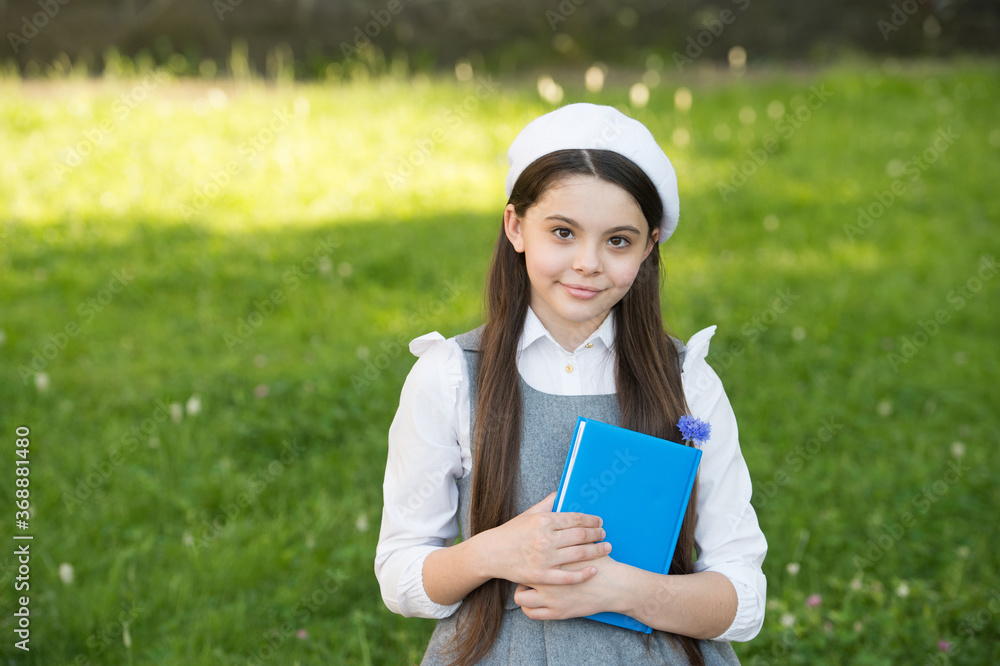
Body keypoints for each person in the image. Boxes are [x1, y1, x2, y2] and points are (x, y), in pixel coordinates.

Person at [375, 103, 767, 665]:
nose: (587, 263)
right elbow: (401, 572)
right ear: (516, 227)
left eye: (618, 241)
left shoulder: (687, 382)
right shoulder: (450, 375)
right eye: (563, 232)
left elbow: (744, 595)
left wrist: (624, 591)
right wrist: (492, 552)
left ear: (649, 246)